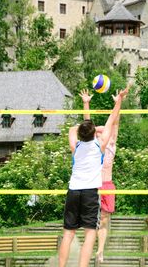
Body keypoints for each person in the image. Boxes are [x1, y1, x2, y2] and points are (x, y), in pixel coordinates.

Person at [58, 87, 128, 267]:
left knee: (68, 233)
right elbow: (112, 120)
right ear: (94, 133)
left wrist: (86, 102)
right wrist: (119, 99)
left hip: (73, 191)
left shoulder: (76, 146)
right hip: (89, 193)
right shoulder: (100, 146)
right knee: (90, 233)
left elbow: (79, 127)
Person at [79, 89, 121, 263]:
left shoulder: (111, 143)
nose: (99, 133)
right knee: (91, 222)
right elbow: (87, 124)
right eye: (97, 133)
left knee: (104, 220)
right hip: (94, 186)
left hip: (107, 185)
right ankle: (89, 249)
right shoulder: (94, 145)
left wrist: (119, 102)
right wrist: (86, 103)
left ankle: (100, 251)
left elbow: (115, 122)